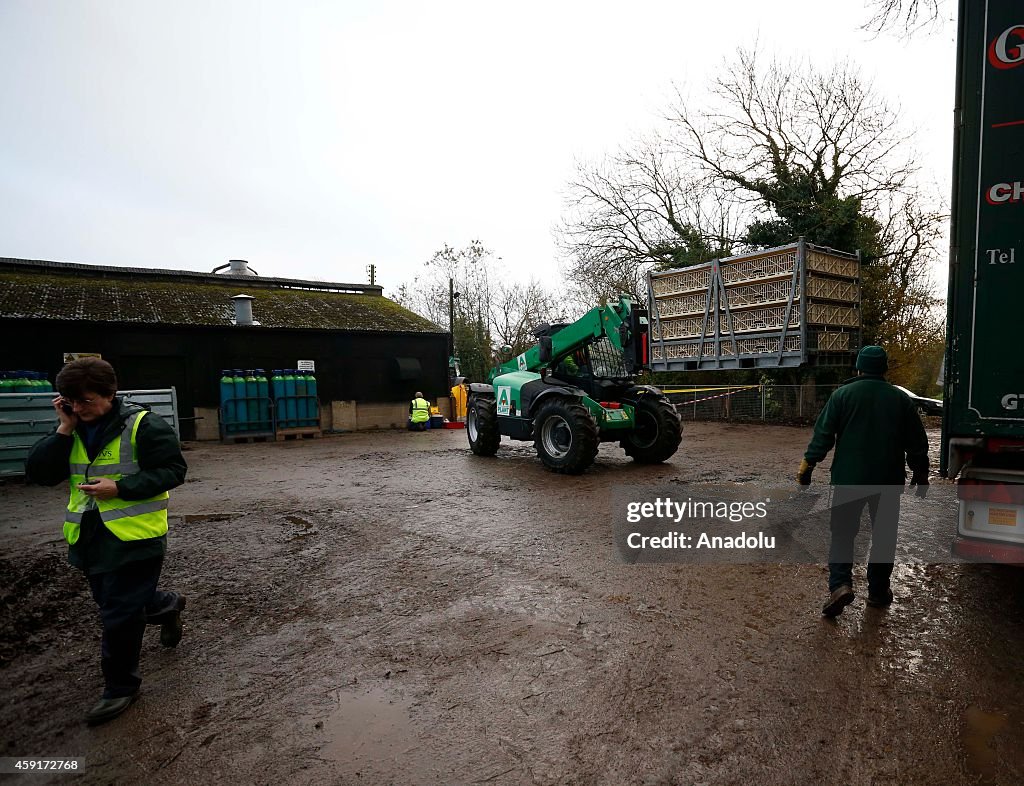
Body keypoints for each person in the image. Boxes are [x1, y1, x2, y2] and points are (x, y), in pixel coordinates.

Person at [26, 358, 188, 725]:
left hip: (135, 537)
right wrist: (63, 430)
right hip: (89, 537)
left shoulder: (144, 426)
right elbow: (39, 473)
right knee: (115, 602)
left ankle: (120, 688)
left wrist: (121, 488)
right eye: (70, 401)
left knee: (118, 614)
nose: (79, 408)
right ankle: (166, 605)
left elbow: (173, 471)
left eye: (85, 401)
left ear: (110, 394)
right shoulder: (73, 428)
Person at [797, 345, 929, 617]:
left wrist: (808, 466)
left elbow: (823, 435)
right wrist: (921, 474)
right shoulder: (900, 399)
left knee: (843, 535)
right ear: (884, 369)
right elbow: (917, 443)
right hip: (888, 481)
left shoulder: (842, 395)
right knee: (883, 537)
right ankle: (878, 591)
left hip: (848, 479)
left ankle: (840, 585)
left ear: (858, 367)